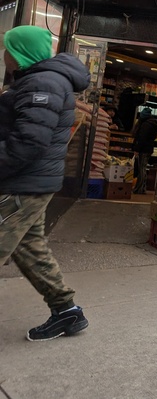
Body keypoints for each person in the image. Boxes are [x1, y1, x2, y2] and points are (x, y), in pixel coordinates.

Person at [0, 25, 90, 341]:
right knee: (29, 247)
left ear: (20, 52)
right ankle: (67, 311)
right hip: (31, 183)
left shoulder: (43, 83)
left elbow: (29, 142)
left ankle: (66, 310)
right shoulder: (39, 81)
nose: (5, 55)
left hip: (23, 184)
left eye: (8, 48)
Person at [131, 107, 157, 194]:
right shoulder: (153, 124)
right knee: (143, 167)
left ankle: (139, 188)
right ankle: (141, 188)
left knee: (141, 169)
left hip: (143, 149)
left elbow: (141, 138)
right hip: (149, 148)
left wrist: (137, 149)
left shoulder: (145, 125)